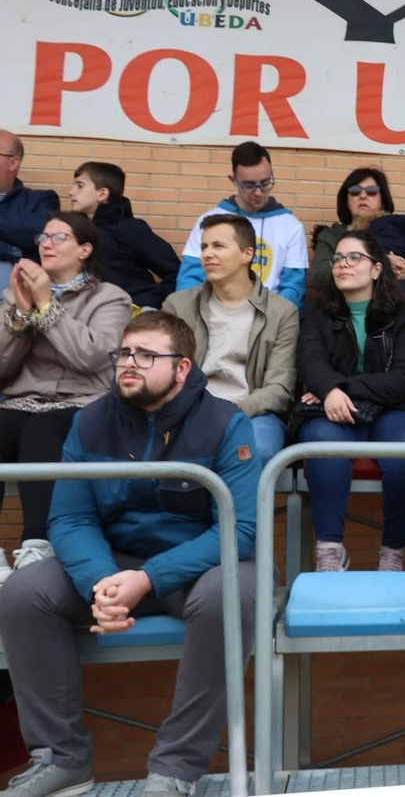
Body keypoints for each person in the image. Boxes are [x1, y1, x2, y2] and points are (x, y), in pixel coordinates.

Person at [0, 311, 259, 797]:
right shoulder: (91, 421)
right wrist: (102, 581)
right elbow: (70, 518)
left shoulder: (225, 422)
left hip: (199, 568)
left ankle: (175, 770)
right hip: (114, 562)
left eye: (146, 355)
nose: (129, 364)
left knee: (234, 594)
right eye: (124, 353)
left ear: (182, 369)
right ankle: (61, 760)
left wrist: (149, 578)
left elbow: (241, 529)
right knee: (22, 594)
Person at [294, 229, 405, 573]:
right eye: (337, 259)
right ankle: (330, 552)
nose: (342, 265)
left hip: (395, 408)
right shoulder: (318, 313)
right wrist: (329, 391)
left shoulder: (402, 314)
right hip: (332, 409)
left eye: (354, 258)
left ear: (377, 269)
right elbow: (310, 361)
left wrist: (339, 388)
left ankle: (392, 552)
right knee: (321, 443)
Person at [0, 210, 131, 581]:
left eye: (58, 238)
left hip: (85, 403)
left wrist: (47, 307)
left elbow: (90, 357)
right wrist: (20, 318)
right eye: (43, 237)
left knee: (42, 430)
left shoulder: (110, 298)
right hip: (21, 400)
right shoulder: (14, 295)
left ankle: (37, 546)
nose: (46, 244)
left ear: (85, 249)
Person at [162, 214, 299, 461]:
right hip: (189, 410)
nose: (207, 254)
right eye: (204, 246)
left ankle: (242, 502)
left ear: (248, 255)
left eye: (219, 246)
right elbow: (165, 373)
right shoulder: (178, 305)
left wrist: (232, 412)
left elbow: (279, 388)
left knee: (256, 450)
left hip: (253, 414)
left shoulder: (281, 312)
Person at [308, 167, 405, 350]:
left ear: (382, 199)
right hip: (343, 315)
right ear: (346, 200)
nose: (363, 196)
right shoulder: (332, 235)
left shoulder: (400, 232)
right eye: (355, 191)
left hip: (395, 319)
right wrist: (363, 265)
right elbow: (319, 276)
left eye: (371, 191)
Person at [175, 141, 308, 308]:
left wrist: (274, 319)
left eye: (265, 183)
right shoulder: (209, 221)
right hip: (214, 317)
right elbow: (190, 280)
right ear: (234, 180)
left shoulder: (291, 226)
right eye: (249, 185)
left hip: (270, 321)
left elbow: (293, 287)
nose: (258, 192)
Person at [67, 161, 179, 309]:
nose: (71, 191)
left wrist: (150, 303)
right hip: (89, 312)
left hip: (133, 314)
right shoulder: (74, 229)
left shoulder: (130, 229)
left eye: (80, 186)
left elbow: (174, 272)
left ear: (102, 194)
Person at [0, 129, 60, 291]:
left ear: (13, 162)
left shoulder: (41, 200)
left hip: (17, 306)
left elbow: (40, 237)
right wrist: (14, 248)